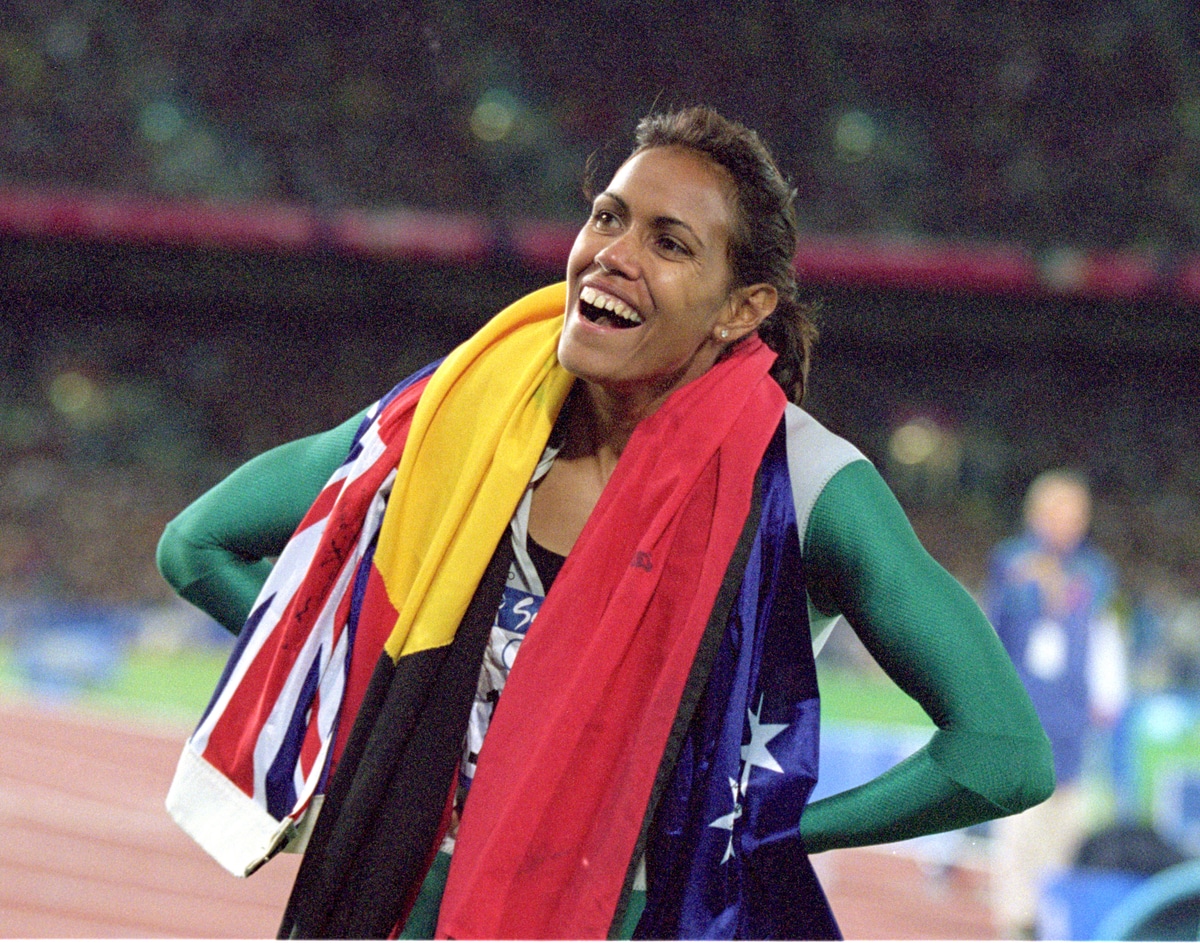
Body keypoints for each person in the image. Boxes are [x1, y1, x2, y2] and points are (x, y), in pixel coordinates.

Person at [157, 106, 1054, 940]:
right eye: (609, 216)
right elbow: (195, 545)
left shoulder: (804, 483)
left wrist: (756, 835)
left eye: (669, 243)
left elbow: (1003, 752)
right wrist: (380, 703)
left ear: (742, 309)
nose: (614, 254)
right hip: (400, 901)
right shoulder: (462, 416)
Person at [985, 469, 1124, 938]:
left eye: (1079, 513)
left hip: (1071, 723)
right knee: (1019, 826)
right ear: (1038, 513)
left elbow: (1100, 635)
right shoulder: (1009, 561)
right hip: (1023, 716)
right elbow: (995, 637)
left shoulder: (1096, 571)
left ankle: (1054, 918)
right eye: (1062, 510)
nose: (1072, 521)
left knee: (1066, 829)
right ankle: (1016, 922)